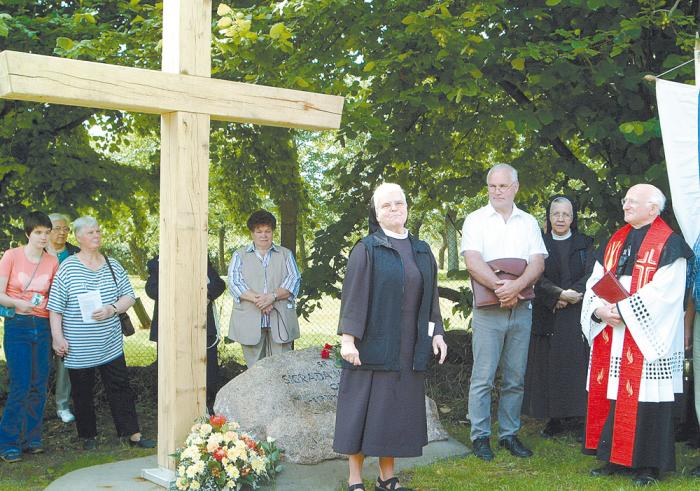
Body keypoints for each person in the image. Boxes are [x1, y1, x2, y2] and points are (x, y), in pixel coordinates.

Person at [333, 183, 448, 491]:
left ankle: (387, 479)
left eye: (399, 203)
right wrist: (348, 340)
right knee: (361, 412)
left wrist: (437, 332)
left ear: (407, 206)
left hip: (408, 350)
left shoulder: (422, 250)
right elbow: (353, 298)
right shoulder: (367, 248)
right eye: (387, 205)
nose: (395, 209)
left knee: (392, 416)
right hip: (371, 349)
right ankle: (355, 480)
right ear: (377, 213)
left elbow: (431, 299)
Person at [581, 184, 692, 486]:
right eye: (625, 200)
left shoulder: (670, 244)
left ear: (653, 208)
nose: (626, 205)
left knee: (647, 398)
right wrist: (599, 310)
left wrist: (626, 310)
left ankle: (648, 465)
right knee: (616, 391)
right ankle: (615, 458)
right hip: (614, 329)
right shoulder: (616, 239)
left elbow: (666, 292)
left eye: (633, 201)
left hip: (645, 332)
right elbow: (596, 279)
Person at [461, 164, 547, 461]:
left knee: (515, 376)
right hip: (488, 310)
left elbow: (537, 262)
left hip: (522, 308)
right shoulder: (475, 220)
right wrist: (502, 289)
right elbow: (473, 261)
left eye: (502, 186)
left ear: (515, 187)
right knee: (483, 376)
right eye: (492, 186)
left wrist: (517, 288)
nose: (497, 191)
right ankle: (480, 436)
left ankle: (509, 434)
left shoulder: (529, 222)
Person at [47, 216, 155, 450]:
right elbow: (55, 308)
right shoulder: (67, 268)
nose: (96, 236)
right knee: (82, 393)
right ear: (79, 238)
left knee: (121, 388)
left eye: (98, 231)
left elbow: (129, 296)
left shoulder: (112, 264)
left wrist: (112, 309)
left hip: (110, 343)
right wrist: (58, 337)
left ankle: (132, 434)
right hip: (78, 346)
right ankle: (88, 438)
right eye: (90, 233)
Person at [523, 196, 593, 437]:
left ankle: (578, 416)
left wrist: (575, 294)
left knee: (577, 364)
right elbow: (534, 276)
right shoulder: (539, 245)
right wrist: (558, 295)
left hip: (578, 312)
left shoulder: (585, 243)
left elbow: (594, 274)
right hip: (549, 312)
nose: (560, 218)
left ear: (573, 218)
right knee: (551, 365)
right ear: (549, 217)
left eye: (565, 214)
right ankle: (555, 418)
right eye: (555, 214)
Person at [0, 211, 59, 463]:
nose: (43, 236)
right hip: (18, 325)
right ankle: (8, 442)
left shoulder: (52, 261)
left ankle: (32, 438)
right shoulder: (11, 256)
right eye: (38, 232)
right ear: (27, 233)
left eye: (47, 232)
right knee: (20, 386)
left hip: (43, 325)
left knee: (38, 385)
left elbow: (55, 299)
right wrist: (16, 304)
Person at [146, 255, 226, 412]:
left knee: (208, 374)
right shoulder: (159, 262)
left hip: (201, 326)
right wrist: (181, 293)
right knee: (172, 374)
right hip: (170, 327)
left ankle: (206, 409)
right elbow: (151, 289)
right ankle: (174, 411)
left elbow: (219, 284)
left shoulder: (200, 256)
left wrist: (206, 295)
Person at [227, 210, 301, 367]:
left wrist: (272, 297)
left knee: (283, 367)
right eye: (259, 231)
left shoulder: (285, 254)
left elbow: (293, 280)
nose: (264, 235)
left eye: (267, 231)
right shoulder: (239, 255)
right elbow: (235, 283)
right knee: (255, 370)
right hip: (250, 320)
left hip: (280, 319)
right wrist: (262, 301)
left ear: (273, 232)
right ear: (252, 233)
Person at [46, 213, 80, 424]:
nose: (62, 232)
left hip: (68, 316)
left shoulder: (75, 253)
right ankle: (36, 407)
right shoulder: (36, 252)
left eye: (65, 229)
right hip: (39, 314)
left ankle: (62, 405)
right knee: (39, 363)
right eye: (57, 228)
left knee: (64, 362)